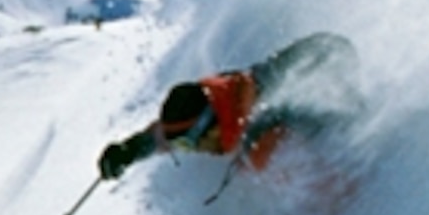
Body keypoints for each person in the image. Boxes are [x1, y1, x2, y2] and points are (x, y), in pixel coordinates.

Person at [94, 31, 362, 183]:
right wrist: (125, 153)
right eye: (183, 147)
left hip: (330, 143)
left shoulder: (265, 103)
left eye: (189, 144)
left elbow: (328, 47)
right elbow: (156, 137)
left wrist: (347, 80)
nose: (194, 151)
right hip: (267, 147)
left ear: (211, 124)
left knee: (260, 153)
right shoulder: (205, 126)